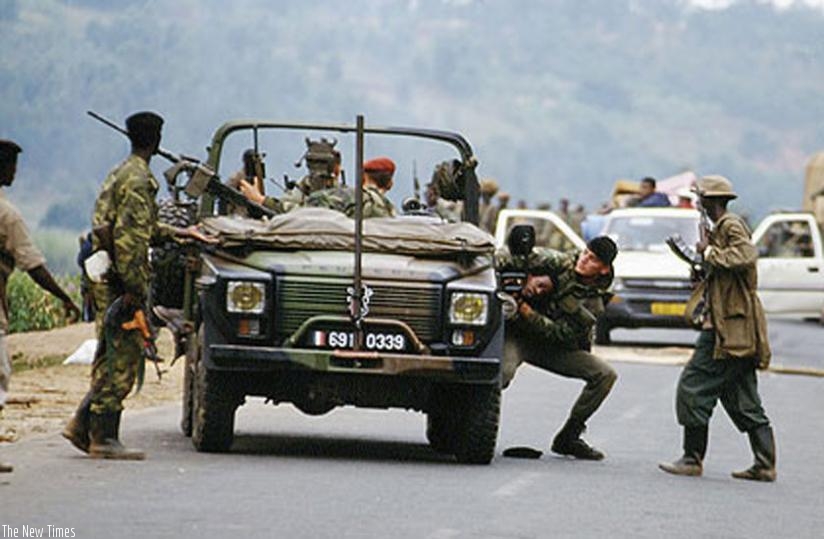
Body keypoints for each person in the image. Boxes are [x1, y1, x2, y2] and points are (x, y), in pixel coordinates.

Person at [62, 112, 215, 461]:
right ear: (157, 139)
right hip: (121, 281)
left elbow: (143, 226)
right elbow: (130, 239)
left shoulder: (122, 172)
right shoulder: (138, 179)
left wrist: (182, 232)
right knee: (123, 356)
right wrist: (133, 290)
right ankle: (104, 438)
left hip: (106, 276)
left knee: (109, 353)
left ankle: (82, 424)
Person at [659, 175, 776, 481]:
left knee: (692, 386)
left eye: (701, 198)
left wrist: (709, 252)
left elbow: (746, 255)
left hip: (729, 326)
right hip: (733, 323)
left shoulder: (729, 225)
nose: (698, 202)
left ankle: (691, 458)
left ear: (710, 201)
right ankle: (765, 464)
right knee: (742, 396)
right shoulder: (719, 229)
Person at [495, 234, 619, 460]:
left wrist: (526, 311)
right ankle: (466, 421)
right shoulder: (559, 262)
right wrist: (525, 278)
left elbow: (560, 333)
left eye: (592, 259)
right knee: (499, 373)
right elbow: (508, 256)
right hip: (518, 336)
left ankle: (569, 437)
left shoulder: (594, 302)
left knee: (605, 374)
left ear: (603, 269)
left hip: (553, 346)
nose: (584, 259)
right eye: (585, 253)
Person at [0, 139, 81, 473]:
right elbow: (33, 266)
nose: (16, 173)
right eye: (12, 166)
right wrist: (65, 298)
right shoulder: (8, 215)